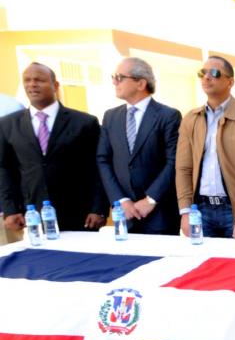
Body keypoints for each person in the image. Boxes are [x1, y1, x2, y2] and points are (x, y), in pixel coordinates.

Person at [0, 63, 107, 232]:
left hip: (80, 213)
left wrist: (98, 208)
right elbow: (5, 169)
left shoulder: (84, 123)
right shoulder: (8, 124)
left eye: (39, 80)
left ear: (55, 85)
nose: (32, 84)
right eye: (27, 80)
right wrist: (10, 209)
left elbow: (98, 167)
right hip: (32, 215)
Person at [175, 56, 235, 239]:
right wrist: (185, 211)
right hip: (199, 211)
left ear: (230, 82)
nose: (206, 77)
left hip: (234, 212)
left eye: (214, 73)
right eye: (202, 73)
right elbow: (183, 168)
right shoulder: (191, 119)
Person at [96, 57, 182, 235]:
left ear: (141, 83)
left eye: (119, 77)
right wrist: (121, 200)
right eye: (114, 77)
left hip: (160, 215)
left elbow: (174, 161)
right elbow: (103, 159)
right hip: (124, 216)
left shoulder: (168, 116)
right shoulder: (111, 117)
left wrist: (151, 199)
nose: (114, 82)